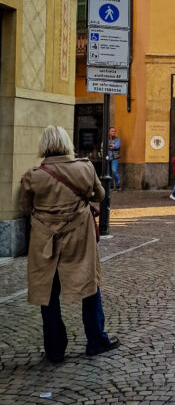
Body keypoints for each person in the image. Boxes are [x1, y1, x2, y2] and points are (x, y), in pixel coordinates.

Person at [19, 126, 119, 362]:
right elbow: (100, 195)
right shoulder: (84, 167)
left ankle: (55, 349)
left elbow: (25, 208)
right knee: (89, 285)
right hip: (79, 237)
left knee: (48, 293)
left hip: (45, 240)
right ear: (66, 143)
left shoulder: (34, 176)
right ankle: (96, 339)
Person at [108, 126, 121, 191]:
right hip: (108, 158)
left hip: (114, 158)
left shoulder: (118, 139)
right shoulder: (106, 139)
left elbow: (117, 146)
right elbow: (103, 146)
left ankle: (118, 186)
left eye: (114, 131)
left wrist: (110, 146)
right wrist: (111, 145)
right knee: (109, 173)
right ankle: (111, 186)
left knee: (114, 171)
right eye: (112, 131)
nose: (114, 132)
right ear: (109, 132)